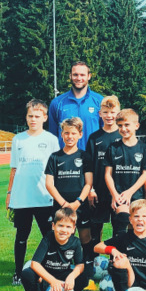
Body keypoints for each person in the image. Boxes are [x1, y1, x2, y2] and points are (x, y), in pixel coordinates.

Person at [7, 99, 60, 286]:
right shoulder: (17, 139)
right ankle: (18, 273)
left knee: (49, 236)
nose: (33, 119)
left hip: (45, 198)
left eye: (37, 116)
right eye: (30, 116)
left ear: (45, 117)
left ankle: (48, 270)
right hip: (22, 198)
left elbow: (56, 171)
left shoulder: (51, 140)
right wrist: (9, 194)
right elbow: (14, 169)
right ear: (26, 117)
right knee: (21, 236)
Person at [44, 117, 93, 278]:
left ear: (80, 134)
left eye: (73, 133)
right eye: (66, 133)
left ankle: (86, 271)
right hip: (60, 205)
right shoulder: (54, 157)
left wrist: (78, 202)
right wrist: (64, 203)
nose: (69, 136)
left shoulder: (85, 156)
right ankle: (62, 270)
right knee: (62, 236)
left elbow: (88, 183)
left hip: (80, 205)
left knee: (85, 236)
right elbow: (49, 184)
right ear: (61, 134)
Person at [86, 95, 121, 265]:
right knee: (95, 229)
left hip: (118, 193)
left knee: (118, 229)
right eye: (106, 112)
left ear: (118, 112)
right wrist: (90, 189)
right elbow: (89, 167)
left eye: (112, 112)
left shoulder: (123, 135)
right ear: (100, 113)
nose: (109, 116)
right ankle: (95, 264)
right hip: (98, 191)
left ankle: (116, 263)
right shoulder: (94, 138)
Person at [104, 109, 146, 235]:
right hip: (119, 196)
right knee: (120, 227)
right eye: (120, 126)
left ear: (136, 125)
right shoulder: (113, 148)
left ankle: (133, 255)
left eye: (126, 125)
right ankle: (116, 255)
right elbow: (108, 174)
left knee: (135, 230)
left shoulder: (144, 148)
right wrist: (114, 194)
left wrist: (130, 192)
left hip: (136, 196)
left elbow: (144, 175)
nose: (123, 129)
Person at [22, 208, 87, 291]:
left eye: (68, 227)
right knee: (27, 274)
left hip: (64, 273)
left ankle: (68, 289)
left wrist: (71, 277)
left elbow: (80, 265)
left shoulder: (75, 242)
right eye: (60, 225)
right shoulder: (47, 240)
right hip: (46, 274)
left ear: (73, 229)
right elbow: (34, 264)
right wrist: (53, 281)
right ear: (53, 226)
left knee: (83, 277)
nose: (64, 230)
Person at [48, 61, 104, 149]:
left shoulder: (100, 101)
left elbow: (106, 131)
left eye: (82, 75)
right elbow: (53, 136)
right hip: (66, 159)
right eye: (75, 75)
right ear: (70, 76)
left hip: (92, 158)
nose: (78, 78)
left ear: (89, 76)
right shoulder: (57, 103)